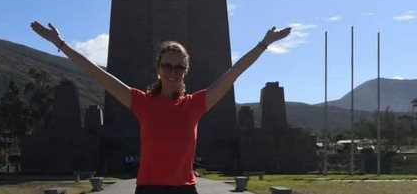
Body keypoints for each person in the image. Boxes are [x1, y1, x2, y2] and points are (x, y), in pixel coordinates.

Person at [30, 21, 291, 194]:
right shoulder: (142, 103)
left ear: (185, 71)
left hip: (185, 189)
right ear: (158, 68)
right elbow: (97, 74)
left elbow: (234, 73)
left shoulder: (195, 105)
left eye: (178, 67)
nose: (172, 72)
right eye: (167, 65)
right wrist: (60, 44)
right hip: (149, 189)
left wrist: (264, 44)